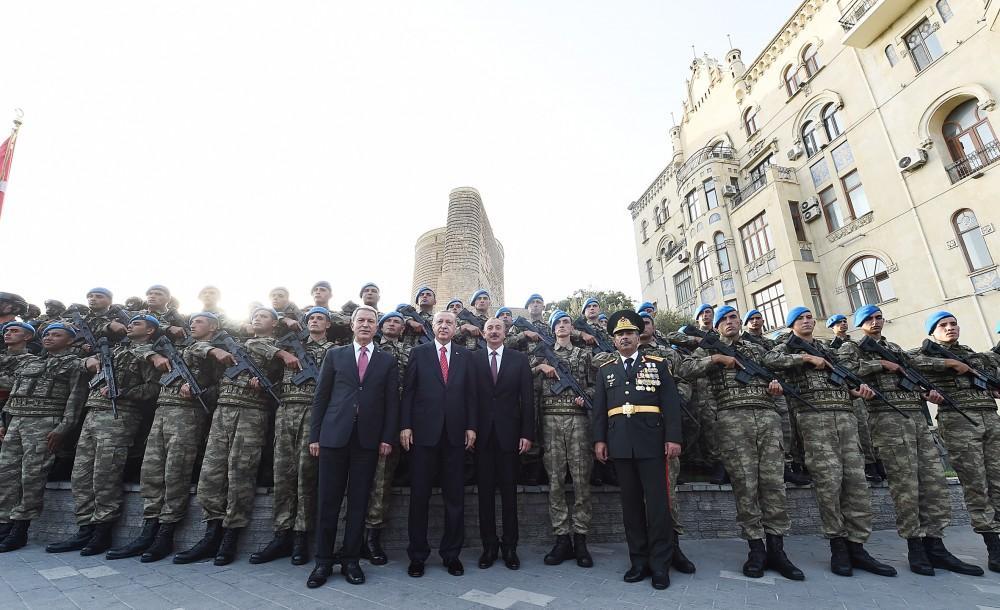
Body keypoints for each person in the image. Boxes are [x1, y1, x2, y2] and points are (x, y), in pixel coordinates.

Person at [838, 305, 981, 576]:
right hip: (887, 419)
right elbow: (846, 371)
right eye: (868, 319)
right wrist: (880, 364)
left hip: (915, 416)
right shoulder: (852, 348)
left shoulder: (895, 347)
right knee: (906, 486)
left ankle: (936, 546)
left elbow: (914, 373)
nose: (876, 322)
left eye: (879, 317)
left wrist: (927, 394)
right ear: (860, 324)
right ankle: (915, 549)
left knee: (934, 484)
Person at [763, 306, 896, 578]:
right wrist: (805, 358)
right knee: (829, 482)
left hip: (845, 417)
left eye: (810, 317)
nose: (808, 321)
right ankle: (838, 547)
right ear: (791, 325)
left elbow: (845, 375)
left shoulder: (829, 350)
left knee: (856, 482)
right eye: (800, 318)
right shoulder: (785, 348)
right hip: (814, 418)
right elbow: (770, 360)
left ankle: (857, 546)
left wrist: (859, 391)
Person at [678, 307, 803, 580]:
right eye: (723, 320)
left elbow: (776, 369)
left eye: (733, 317)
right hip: (732, 420)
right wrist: (717, 358)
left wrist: (775, 388)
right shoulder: (708, 350)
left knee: (773, 485)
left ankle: (777, 550)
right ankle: (756, 550)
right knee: (746, 486)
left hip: (767, 418)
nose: (729, 322)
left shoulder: (756, 350)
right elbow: (684, 369)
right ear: (717, 327)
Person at [173, 307, 298, 566]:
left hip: (252, 413)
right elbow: (190, 351)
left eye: (264, 316)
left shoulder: (285, 348)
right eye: (254, 315)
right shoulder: (231, 344)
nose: (257, 318)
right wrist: (213, 350)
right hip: (222, 412)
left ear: (275, 324)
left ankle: (230, 537)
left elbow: (287, 380)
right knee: (211, 475)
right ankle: (211, 534)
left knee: (240, 474)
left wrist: (268, 381)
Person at [106, 312, 224, 563]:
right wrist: (153, 355)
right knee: (151, 472)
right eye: (192, 321)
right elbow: (136, 350)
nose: (193, 323)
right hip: (162, 412)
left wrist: (199, 390)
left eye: (200, 321)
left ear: (213, 327)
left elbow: (222, 385)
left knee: (175, 473)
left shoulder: (213, 352)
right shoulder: (172, 348)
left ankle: (165, 534)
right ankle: (148, 530)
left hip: (188, 415)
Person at [46, 315, 163, 556]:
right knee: (81, 475)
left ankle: (103, 532)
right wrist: (88, 360)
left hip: (119, 416)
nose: (130, 324)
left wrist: (124, 392)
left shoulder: (149, 354)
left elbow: (153, 388)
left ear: (150, 330)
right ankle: (85, 528)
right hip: (92, 414)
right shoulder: (114, 349)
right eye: (131, 322)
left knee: (105, 475)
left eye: (138, 323)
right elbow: (74, 366)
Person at [306, 305, 399, 587]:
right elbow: (321, 397)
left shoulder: (387, 360)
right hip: (333, 437)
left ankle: (350, 561)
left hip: (367, 441)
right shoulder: (335, 355)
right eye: (361, 320)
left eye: (371, 321)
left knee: (359, 503)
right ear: (352, 325)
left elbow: (392, 404)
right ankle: (322, 562)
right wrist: (315, 436)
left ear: (376, 327)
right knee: (328, 501)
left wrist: (387, 437)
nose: (366, 325)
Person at [593, 310, 682, 590]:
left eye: (629, 333)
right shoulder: (606, 370)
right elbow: (599, 412)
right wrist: (600, 440)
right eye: (619, 335)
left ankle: (660, 564)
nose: (625, 338)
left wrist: (673, 438)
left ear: (638, 336)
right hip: (620, 445)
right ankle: (639, 561)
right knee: (630, 507)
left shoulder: (657, 363)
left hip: (652, 443)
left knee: (657, 506)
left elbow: (670, 404)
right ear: (613, 340)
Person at [913, 311, 1000, 572]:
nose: (950, 328)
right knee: (976, 485)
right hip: (959, 422)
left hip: (989, 418)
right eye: (943, 325)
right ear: (933, 331)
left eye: (953, 324)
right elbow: (912, 363)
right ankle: (993, 547)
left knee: (997, 481)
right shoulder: (926, 353)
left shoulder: (972, 354)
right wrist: (950, 365)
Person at [250, 307, 336, 566]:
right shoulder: (289, 345)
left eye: (320, 318)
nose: (315, 321)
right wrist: (280, 354)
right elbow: (254, 344)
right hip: (286, 410)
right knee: (283, 473)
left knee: (306, 476)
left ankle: (301, 535)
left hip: (314, 413)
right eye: (311, 318)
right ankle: (281, 534)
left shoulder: (335, 350)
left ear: (328, 324)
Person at [400, 311, 477, 577]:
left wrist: (471, 427)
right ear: (431, 326)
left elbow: (471, 394)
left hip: (455, 436)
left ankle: (451, 554)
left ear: (456, 328)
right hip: (423, 435)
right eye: (439, 322)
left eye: (449, 323)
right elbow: (408, 392)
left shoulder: (465, 356)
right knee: (419, 497)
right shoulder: (418, 353)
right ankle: (418, 555)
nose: (444, 326)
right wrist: (406, 426)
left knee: (454, 499)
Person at [0, 323, 87, 551]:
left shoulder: (74, 364)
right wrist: (4, 420)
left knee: (32, 476)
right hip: (16, 421)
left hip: (44, 423)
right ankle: (4, 523)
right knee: (6, 473)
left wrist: (63, 428)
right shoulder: (31, 362)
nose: (49, 338)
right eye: (47, 334)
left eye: (56, 335)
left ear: (69, 341)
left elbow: (75, 399)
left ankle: (20, 529)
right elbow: (16, 391)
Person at [532, 311, 596, 568]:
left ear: (572, 327)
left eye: (566, 322)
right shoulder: (541, 353)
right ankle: (561, 538)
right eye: (557, 323)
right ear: (552, 329)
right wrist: (540, 366)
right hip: (550, 421)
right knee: (556, 480)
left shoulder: (584, 355)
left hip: (578, 420)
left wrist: (586, 396)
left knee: (581, 479)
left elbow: (595, 385)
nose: (562, 326)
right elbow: (520, 372)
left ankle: (580, 538)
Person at [636, 312, 696, 574]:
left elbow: (684, 382)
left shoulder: (667, 355)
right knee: (638, 495)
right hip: (634, 433)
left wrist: (672, 397)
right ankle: (647, 547)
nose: (642, 327)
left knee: (668, 491)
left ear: (653, 327)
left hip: (661, 430)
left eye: (647, 322)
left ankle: (673, 545)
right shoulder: (622, 355)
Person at [475, 317, 534, 570]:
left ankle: (510, 547)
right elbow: (468, 397)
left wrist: (527, 433)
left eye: (498, 327)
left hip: (511, 436)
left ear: (505, 332)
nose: (494, 331)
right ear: (483, 333)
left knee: (509, 495)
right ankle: (488, 546)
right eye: (490, 328)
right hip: (481, 436)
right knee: (485, 495)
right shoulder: (472, 359)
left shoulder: (519, 360)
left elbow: (527, 400)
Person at [361, 311, 411, 564]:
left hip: (392, 420)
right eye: (389, 321)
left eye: (398, 323)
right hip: (364, 419)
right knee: (356, 479)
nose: (393, 324)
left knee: (382, 480)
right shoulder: (367, 349)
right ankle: (351, 536)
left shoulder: (409, 352)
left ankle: (372, 537)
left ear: (403, 330)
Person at [827, 313, 881, 484]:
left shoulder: (858, 344)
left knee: (868, 426)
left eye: (844, 322)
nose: (842, 325)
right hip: (846, 391)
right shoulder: (830, 346)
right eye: (838, 323)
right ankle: (868, 464)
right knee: (859, 428)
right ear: (832, 327)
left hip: (862, 388)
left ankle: (876, 461)